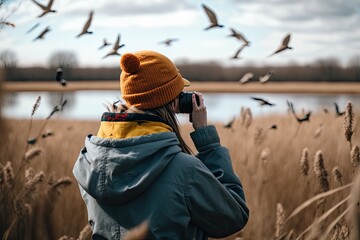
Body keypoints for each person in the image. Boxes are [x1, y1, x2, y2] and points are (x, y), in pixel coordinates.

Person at [73, 50, 249, 240]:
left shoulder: (88, 162)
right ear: (174, 103)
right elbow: (233, 218)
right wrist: (209, 146)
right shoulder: (184, 169)